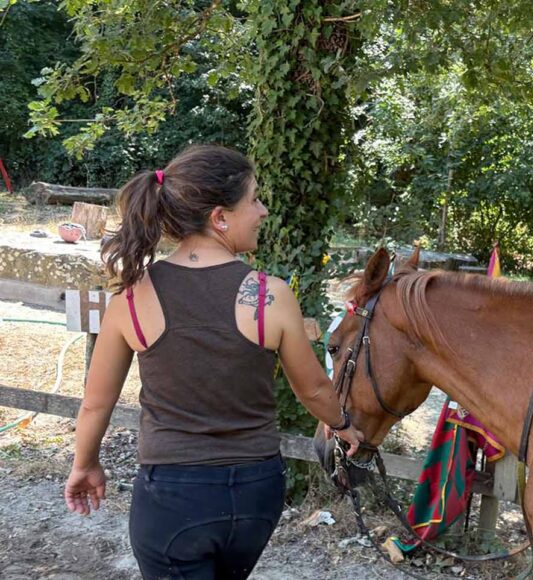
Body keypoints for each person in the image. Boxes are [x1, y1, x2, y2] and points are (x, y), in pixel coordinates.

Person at [63, 145, 364, 579]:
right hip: (256, 496)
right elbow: (313, 388)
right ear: (220, 217)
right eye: (254, 199)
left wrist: (85, 464)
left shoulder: (131, 298)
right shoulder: (269, 294)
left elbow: (95, 403)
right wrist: (342, 426)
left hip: (172, 501)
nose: (262, 211)